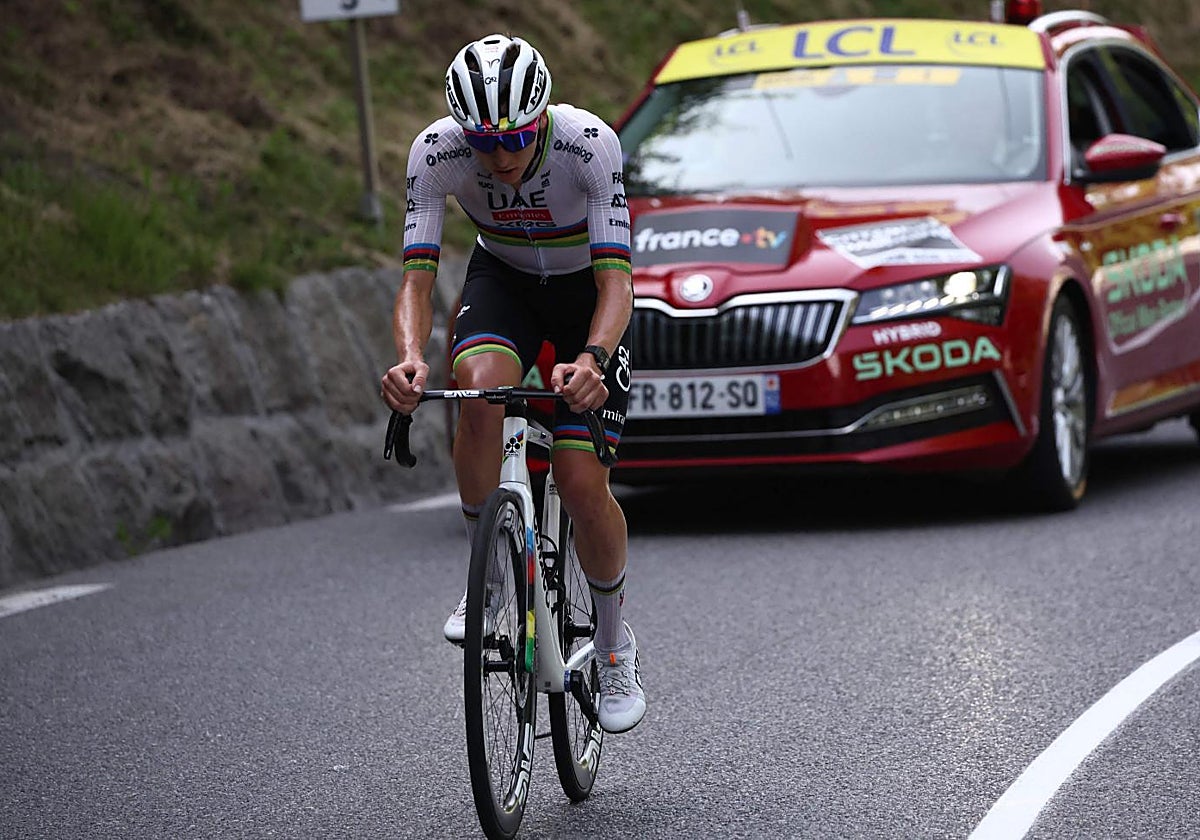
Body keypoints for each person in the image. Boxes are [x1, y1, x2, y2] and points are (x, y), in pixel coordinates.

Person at [380, 34, 645, 734]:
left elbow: (617, 282)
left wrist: (592, 356)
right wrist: (410, 357)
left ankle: (615, 645)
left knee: (582, 480)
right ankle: (490, 576)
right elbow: (417, 277)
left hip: (586, 297)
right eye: (483, 142)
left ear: (542, 116)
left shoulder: (589, 145)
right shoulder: (436, 153)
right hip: (505, 285)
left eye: (516, 138)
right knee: (478, 388)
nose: (498, 157)